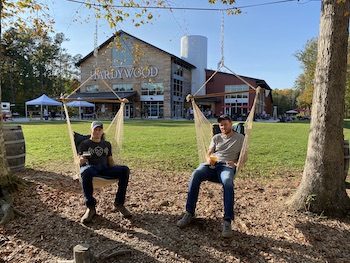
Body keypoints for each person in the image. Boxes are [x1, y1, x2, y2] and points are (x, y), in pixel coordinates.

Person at [177, 115, 244, 238]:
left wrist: (235, 164)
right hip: (213, 165)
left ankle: (227, 221)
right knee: (196, 174)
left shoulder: (240, 138)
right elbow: (209, 153)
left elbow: (244, 157)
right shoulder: (216, 137)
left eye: (225, 124)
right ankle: (189, 213)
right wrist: (209, 160)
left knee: (228, 181)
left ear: (231, 124)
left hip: (227, 167)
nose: (223, 127)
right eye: (221, 125)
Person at [78, 121, 132, 224]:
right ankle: (91, 208)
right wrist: (79, 161)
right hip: (91, 168)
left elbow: (110, 160)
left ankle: (119, 204)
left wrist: (116, 170)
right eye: (95, 129)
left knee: (124, 169)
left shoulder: (106, 144)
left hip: (105, 168)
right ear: (91, 131)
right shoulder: (85, 144)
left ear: (102, 132)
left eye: (99, 130)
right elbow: (81, 158)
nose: (97, 132)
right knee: (86, 172)